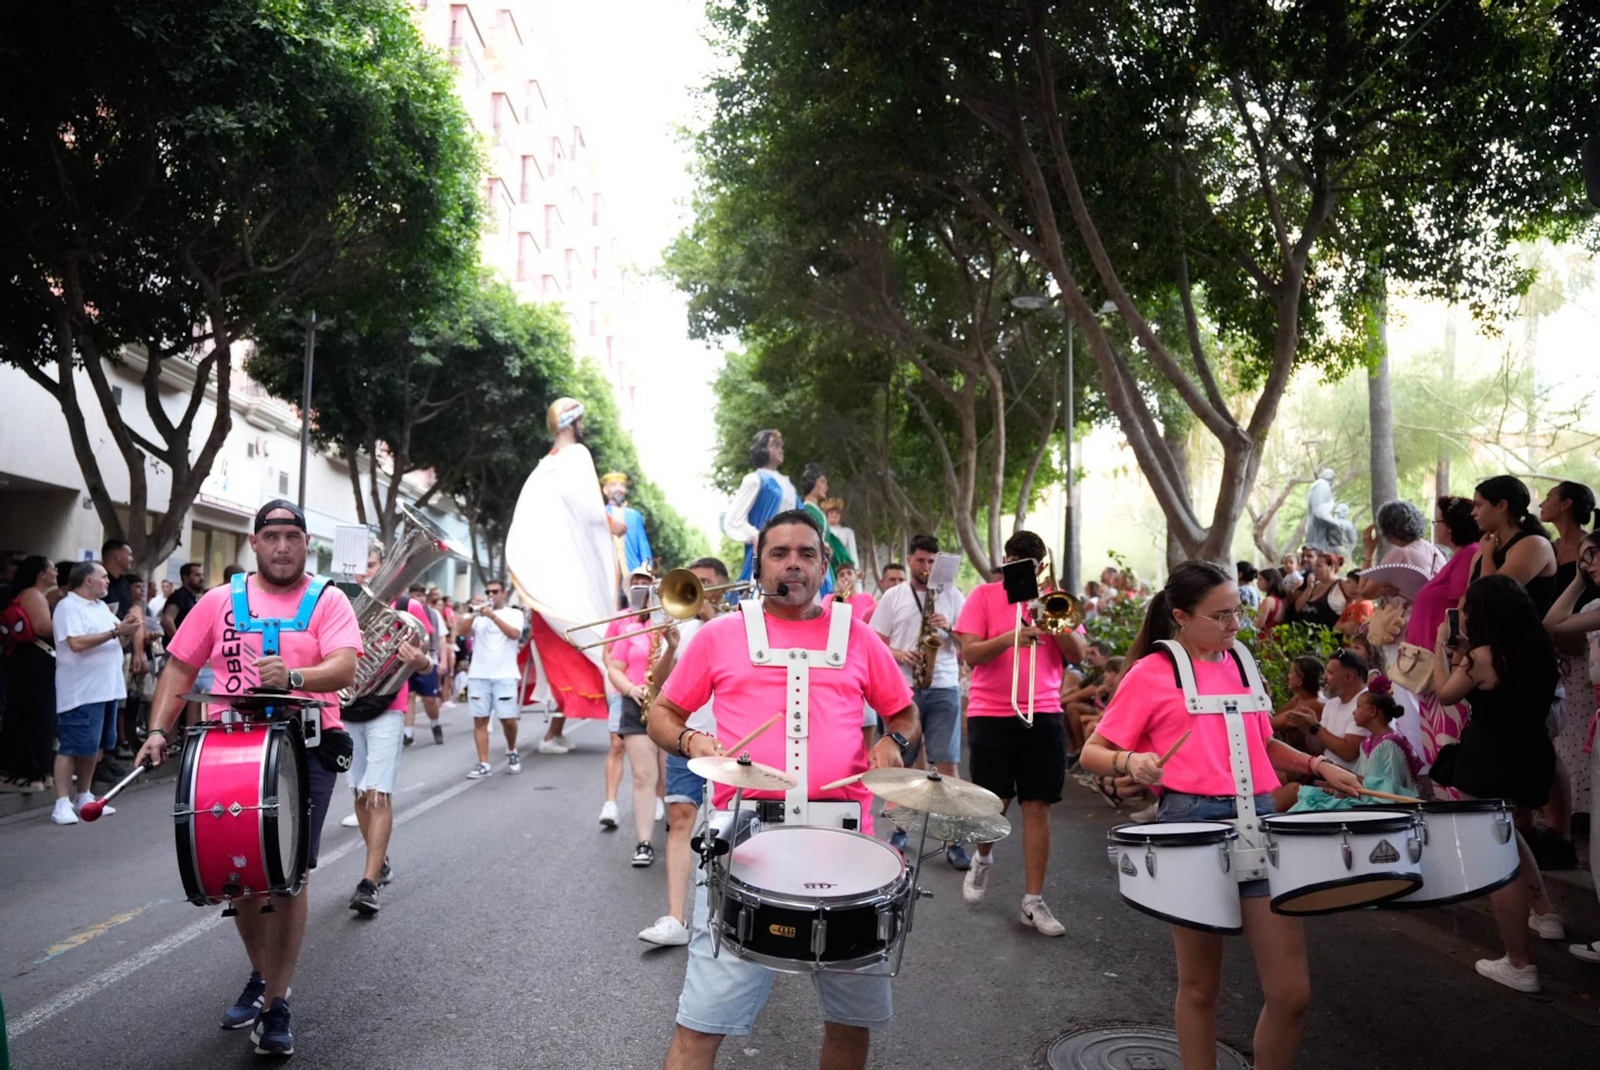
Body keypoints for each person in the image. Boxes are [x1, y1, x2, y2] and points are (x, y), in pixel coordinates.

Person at [644, 509, 918, 1070]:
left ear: (823, 565)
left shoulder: (859, 637)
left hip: (846, 851)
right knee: (701, 1025)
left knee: (850, 1024)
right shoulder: (720, 634)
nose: (793, 563)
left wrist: (894, 741)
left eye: (806, 553)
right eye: (779, 553)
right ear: (759, 564)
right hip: (743, 845)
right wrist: (693, 740)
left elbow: (905, 713)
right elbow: (662, 713)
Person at [1080, 561, 1362, 1070]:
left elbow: (1260, 743)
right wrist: (1132, 762)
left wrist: (1318, 766)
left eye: (1237, 612)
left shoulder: (1241, 662)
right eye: (1222, 615)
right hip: (1190, 823)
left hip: (1259, 818)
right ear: (1182, 616)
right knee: (1199, 987)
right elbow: (1093, 752)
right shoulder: (1152, 672)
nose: (1236, 625)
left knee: (1291, 993)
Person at [135, 499, 361, 1056]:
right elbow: (181, 666)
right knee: (242, 874)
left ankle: (276, 1002)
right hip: (230, 748)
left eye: (292, 536)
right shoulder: (217, 601)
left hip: (305, 745)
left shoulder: (329, 599)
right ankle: (263, 976)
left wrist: (296, 675)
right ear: (254, 543)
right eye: (271, 537)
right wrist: (158, 730)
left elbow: (345, 664)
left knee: (288, 874)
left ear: (306, 543)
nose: (282, 547)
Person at [1430, 573, 1563, 993]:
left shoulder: (1482, 657)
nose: (1463, 614)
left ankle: (1520, 963)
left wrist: (1440, 648)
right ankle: (1544, 910)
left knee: (1496, 859)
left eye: (1467, 609)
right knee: (1509, 833)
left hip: (1489, 759)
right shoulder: (1538, 648)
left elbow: (1445, 693)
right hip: (1532, 752)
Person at [952, 530, 1088, 934]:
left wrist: (1047, 614)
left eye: (1031, 566)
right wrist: (1011, 637)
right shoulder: (983, 596)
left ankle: (1033, 900)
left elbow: (1078, 655)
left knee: (1038, 804)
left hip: (1043, 711)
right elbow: (970, 654)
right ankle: (983, 858)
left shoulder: (1053, 599)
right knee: (995, 802)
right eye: (1016, 565)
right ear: (1007, 563)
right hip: (991, 711)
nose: (1022, 572)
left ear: (1041, 567)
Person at [506, 397, 616, 754]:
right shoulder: (576, 456)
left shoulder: (543, 467)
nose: (583, 426)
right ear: (572, 422)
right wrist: (611, 523)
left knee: (572, 662)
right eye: (580, 420)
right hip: (568, 593)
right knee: (587, 656)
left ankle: (557, 733)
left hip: (547, 593)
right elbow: (589, 509)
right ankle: (611, 735)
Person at [639, 557, 729, 948]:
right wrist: (671, 647)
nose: (698, 588)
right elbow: (659, 686)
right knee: (680, 819)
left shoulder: (739, 624)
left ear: (722, 588)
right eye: (694, 581)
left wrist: (712, 620)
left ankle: (727, 915)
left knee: (728, 826)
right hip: (686, 737)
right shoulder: (684, 627)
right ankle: (676, 918)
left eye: (706, 582)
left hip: (728, 740)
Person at [343, 546, 432, 916]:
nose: (366, 572)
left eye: (372, 564)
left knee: (378, 793)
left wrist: (420, 660)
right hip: (347, 708)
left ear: (386, 566)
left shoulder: (409, 607)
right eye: (360, 565)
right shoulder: (341, 602)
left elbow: (428, 665)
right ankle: (379, 861)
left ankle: (368, 882)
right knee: (359, 792)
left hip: (388, 707)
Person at [870, 534, 968, 864]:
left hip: (943, 686)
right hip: (903, 689)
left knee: (947, 764)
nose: (927, 567)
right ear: (910, 559)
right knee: (903, 763)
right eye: (921, 560)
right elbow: (874, 642)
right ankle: (900, 827)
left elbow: (968, 644)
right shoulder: (894, 596)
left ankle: (954, 838)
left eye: (932, 562)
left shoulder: (953, 595)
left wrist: (950, 628)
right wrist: (898, 654)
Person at [1542, 527, 1600, 965]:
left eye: (1594, 555)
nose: (1588, 563)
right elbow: (1553, 623)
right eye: (1584, 556)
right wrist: (1579, 581)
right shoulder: (1595, 608)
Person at [48, 561, 134, 825]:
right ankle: (61, 802)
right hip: (81, 691)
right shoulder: (68, 607)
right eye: (103, 577)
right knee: (71, 747)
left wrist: (128, 629)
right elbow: (76, 643)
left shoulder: (100, 607)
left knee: (94, 747)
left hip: (106, 688)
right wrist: (116, 631)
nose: (108, 581)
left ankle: (84, 795)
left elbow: (119, 637)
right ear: (88, 580)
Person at [1406, 496, 1481, 773]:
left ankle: (1451, 794)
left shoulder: (1469, 554)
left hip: (1444, 664)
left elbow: (1461, 606)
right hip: (1431, 663)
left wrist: (1450, 654)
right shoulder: (1458, 557)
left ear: (1450, 526)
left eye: (1437, 521)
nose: (1435, 526)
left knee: (1446, 740)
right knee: (1435, 740)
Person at [1540, 480, 1596, 850]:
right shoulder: (1550, 547)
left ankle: (1585, 808)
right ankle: (1572, 807)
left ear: (1566, 504)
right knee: (1565, 731)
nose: (1542, 503)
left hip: (1583, 645)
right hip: (1558, 646)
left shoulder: (1587, 546)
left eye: (1549, 497)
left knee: (1580, 726)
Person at [601, 564, 669, 861]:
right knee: (643, 774)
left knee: (667, 774)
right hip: (636, 701)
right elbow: (613, 666)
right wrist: (629, 689)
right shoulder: (629, 627)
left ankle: (673, 824)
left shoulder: (678, 627)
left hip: (671, 704)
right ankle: (643, 843)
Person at [1287, 679, 1421, 810]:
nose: (1354, 712)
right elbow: (1360, 780)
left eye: (1359, 706)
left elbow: (1391, 792)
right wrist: (1342, 785)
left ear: (1373, 711)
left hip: (1381, 806)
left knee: (1317, 806)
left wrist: (1351, 778)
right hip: (1366, 799)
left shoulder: (1390, 744)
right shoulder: (1367, 743)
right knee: (1312, 798)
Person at [456, 580, 526, 778]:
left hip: (505, 675)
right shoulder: (479, 616)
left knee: (507, 719)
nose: (491, 595)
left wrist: (492, 616)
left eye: (495, 592)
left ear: (504, 593)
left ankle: (511, 750)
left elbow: (514, 634)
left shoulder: (514, 614)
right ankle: (484, 763)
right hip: (479, 675)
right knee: (480, 720)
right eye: (488, 592)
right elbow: (462, 632)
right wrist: (474, 613)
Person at [1468, 475, 1559, 615]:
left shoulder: (1535, 545)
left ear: (1502, 506)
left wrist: (1487, 555)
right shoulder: (1484, 549)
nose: (1473, 512)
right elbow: (1468, 599)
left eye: (1478, 505)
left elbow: (1491, 597)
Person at [724, 429, 798, 582]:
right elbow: (734, 519)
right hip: (766, 552)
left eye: (781, 445)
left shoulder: (788, 485)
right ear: (762, 448)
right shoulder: (755, 480)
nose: (781, 449)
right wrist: (756, 536)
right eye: (775, 445)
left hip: (792, 549)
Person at [1285, 649, 1369, 774]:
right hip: (1326, 770)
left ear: (1348, 677)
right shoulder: (1332, 703)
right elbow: (1318, 749)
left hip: (1349, 778)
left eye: (1330, 673)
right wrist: (1308, 730)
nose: (1324, 677)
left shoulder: (1367, 704)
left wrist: (1315, 728)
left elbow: (1348, 753)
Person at [401, 582, 448, 747]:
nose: (420, 599)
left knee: (429, 699)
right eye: (416, 595)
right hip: (406, 661)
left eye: (422, 595)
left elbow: (442, 639)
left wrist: (443, 660)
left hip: (428, 658)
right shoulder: (404, 610)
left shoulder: (434, 614)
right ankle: (408, 733)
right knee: (409, 696)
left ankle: (435, 724)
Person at [602, 470, 655, 579]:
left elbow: (643, 544)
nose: (618, 489)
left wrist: (646, 569)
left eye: (622, 485)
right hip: (606, 572)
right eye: (613, 485)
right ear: (605, 490)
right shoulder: (601, 514)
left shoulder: (634, 515)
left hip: (632, 573)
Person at [799, 462, 839, 596]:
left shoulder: (818, 512)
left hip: (824, 564)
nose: (826, 486)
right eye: (822, 481)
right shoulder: (804, 510)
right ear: (812, 482)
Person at [1287, 552, 1340, 628]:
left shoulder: (1340, 585)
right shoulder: (1314, 585)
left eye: (1319, 566)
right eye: (1315, 566)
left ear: (1331, 567)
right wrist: (1309, 587)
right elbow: (1298, 608)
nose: (1315, 569)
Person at [822, 497, 860, 577]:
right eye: (831, 512)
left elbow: (852, 552)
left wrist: (856, 569)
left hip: (844, 568)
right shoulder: (823, 531)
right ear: (827, 515)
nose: (834, 514)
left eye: (837, 512)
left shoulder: (848, 532)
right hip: (829, 568)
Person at [1332, 571, 1374, 638]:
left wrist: (1344, 626)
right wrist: (1346, 626)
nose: (1345, 584)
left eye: (1348, 582)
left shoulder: (1363, 605)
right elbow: (1336, 627)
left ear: (1359, 585)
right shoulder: (1351, 606)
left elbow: (1351, 630)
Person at [1253, 567, 1288, 632]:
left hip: (1267, 636)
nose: (1257, 583)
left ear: (1269, 581)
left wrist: (1250, 615)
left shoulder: (1268, 601)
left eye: (1260, 580)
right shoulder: (1282, 600)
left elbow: (1258, 624)